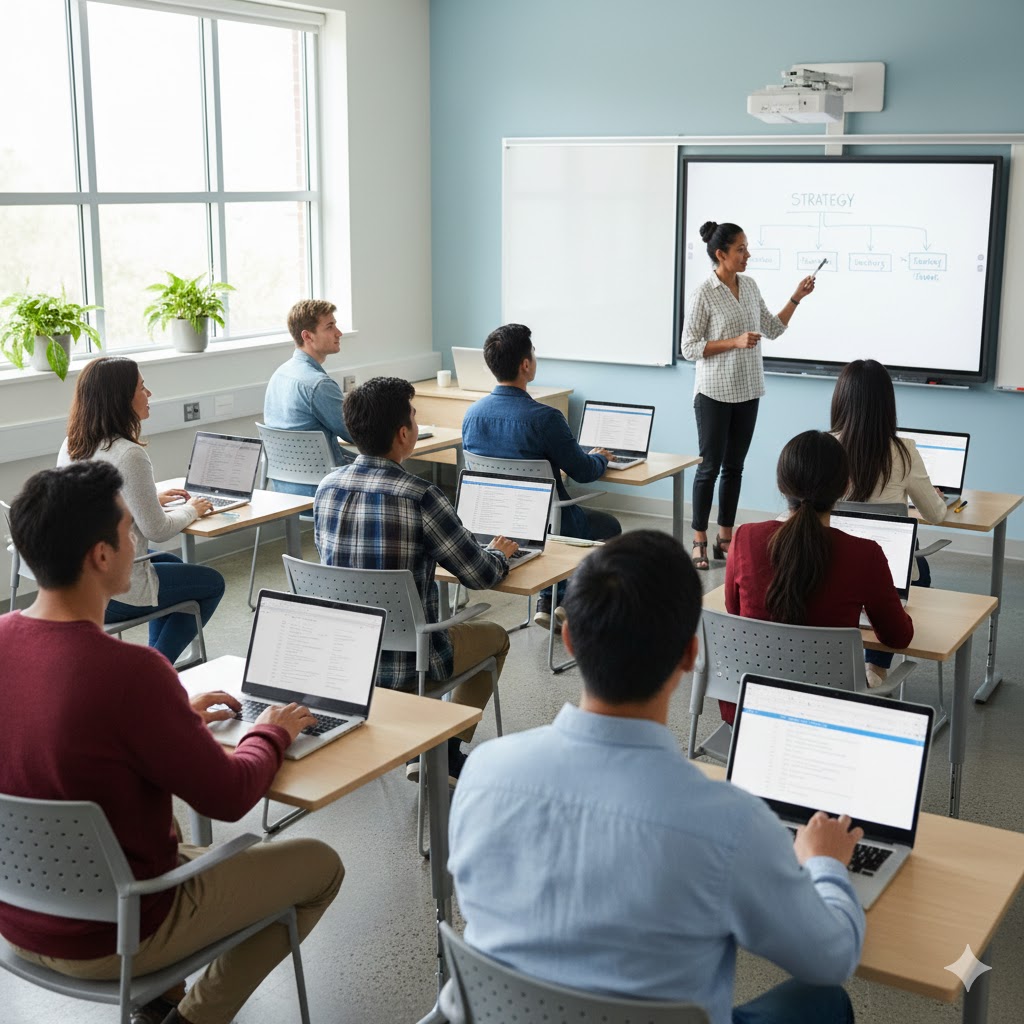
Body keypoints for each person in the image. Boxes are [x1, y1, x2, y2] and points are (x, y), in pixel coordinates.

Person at [446, 531, 864, 1024]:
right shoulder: (730, 823)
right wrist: (827, 865)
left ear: (569, 639)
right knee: (825, 1000)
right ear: (689, 656)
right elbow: (832, 957)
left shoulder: (485, 773)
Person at [0, 462, 343, 1024]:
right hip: (117, 932)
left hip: (21, 916)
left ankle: (158, 1003)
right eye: (130, 529)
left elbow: (57, 735)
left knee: (176, 832)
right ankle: (191, 1019)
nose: (137, 540)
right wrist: (272, 731)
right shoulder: (131, 670)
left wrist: (170, 718)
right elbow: (230, 797)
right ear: (102, 555)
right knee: (320, 865)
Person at [314, 376, 516, 783]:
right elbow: (479, 576)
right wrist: (501, 553)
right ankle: (441, 750)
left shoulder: (325, 487)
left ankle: (418, 751)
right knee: (496, 637)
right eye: (414, 416)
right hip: (409, 665)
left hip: (344, 661)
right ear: (404, 433)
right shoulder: (420, 496)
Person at [723, 431, 914, 720]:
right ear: (846, 486)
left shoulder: (746, 537)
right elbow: (899, 637)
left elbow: (734, 612)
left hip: (752, 712)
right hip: (829, 717)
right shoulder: (865, 554)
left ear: (780, 484)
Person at [57, 356, 225, 665]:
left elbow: (98, 503)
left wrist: (148, 498)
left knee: (172, 564)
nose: (149, 394)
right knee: (212, 583)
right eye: (142, 387)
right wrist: (192, 510)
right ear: (120, 398)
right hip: (113, 588)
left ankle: (153, 660)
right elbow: (157, 531)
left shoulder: (72, 444)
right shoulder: (129, 454)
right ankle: (155, 670)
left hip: (77, 579)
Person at [461, 323, 621, 626]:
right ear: (525, 365)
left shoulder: (472, 415)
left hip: (496, 523)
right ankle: (572, 601)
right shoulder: (545, 418)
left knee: (551, 523)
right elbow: (583, 472)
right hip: (548, 521)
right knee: (609, 525)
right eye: (533, 355)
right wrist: (599, 458)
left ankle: (548, 602)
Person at [681, 221, 816, 571]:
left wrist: (796, 298)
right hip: (713, 392)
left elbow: (773, 328)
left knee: (735, 468)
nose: (747, 255)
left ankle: (725, 536)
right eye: (740, 249)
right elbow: (688, 347)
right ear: (720, 254)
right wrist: (734, 341)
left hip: (747, 390)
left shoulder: (751, 286)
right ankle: (698, 539)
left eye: (747, 248)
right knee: (709, 467)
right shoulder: (703, 293)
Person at [830, 359, 948, 683]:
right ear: (887, 404)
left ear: (840, 399)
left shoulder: (825, 446)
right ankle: (876, 668)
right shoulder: (905, 451)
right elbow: (937, 514)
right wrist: (930, 496)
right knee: (917, 568)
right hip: (890, 575)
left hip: (830, 563)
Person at [263, 299, 353, 493]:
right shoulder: (318, 384)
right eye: (330, 326)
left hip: (283, 487)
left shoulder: (279, 374)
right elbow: (358, 435)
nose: (339, 333)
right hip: (324, 490)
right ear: (307, 336)